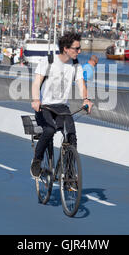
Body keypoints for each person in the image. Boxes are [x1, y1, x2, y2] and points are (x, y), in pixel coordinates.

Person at [30, 32, 93, 177]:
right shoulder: (48, 61)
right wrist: (35, 100)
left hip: (62, 107)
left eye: (79, 48)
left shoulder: (75, 65)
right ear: (66, 48)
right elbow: (36, 84)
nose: (79, 51)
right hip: (44, 107)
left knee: (71, 136)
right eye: (76, 48)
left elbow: (81, 85)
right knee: (49, 130)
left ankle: (70, 172)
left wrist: (86, 99)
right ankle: (37, 160)